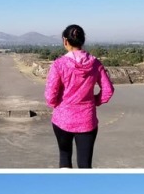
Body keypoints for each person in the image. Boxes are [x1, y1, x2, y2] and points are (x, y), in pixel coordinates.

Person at [45, 24, 114, 168]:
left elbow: (50, 95)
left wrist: (59, 104)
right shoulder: (95, 64)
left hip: (62, 119)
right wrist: (93, 101)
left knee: (64, 157)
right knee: (85, 163)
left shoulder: (59, 65)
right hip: (87, 120)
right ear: (83, 40)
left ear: (65, 41)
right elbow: (108, 90)